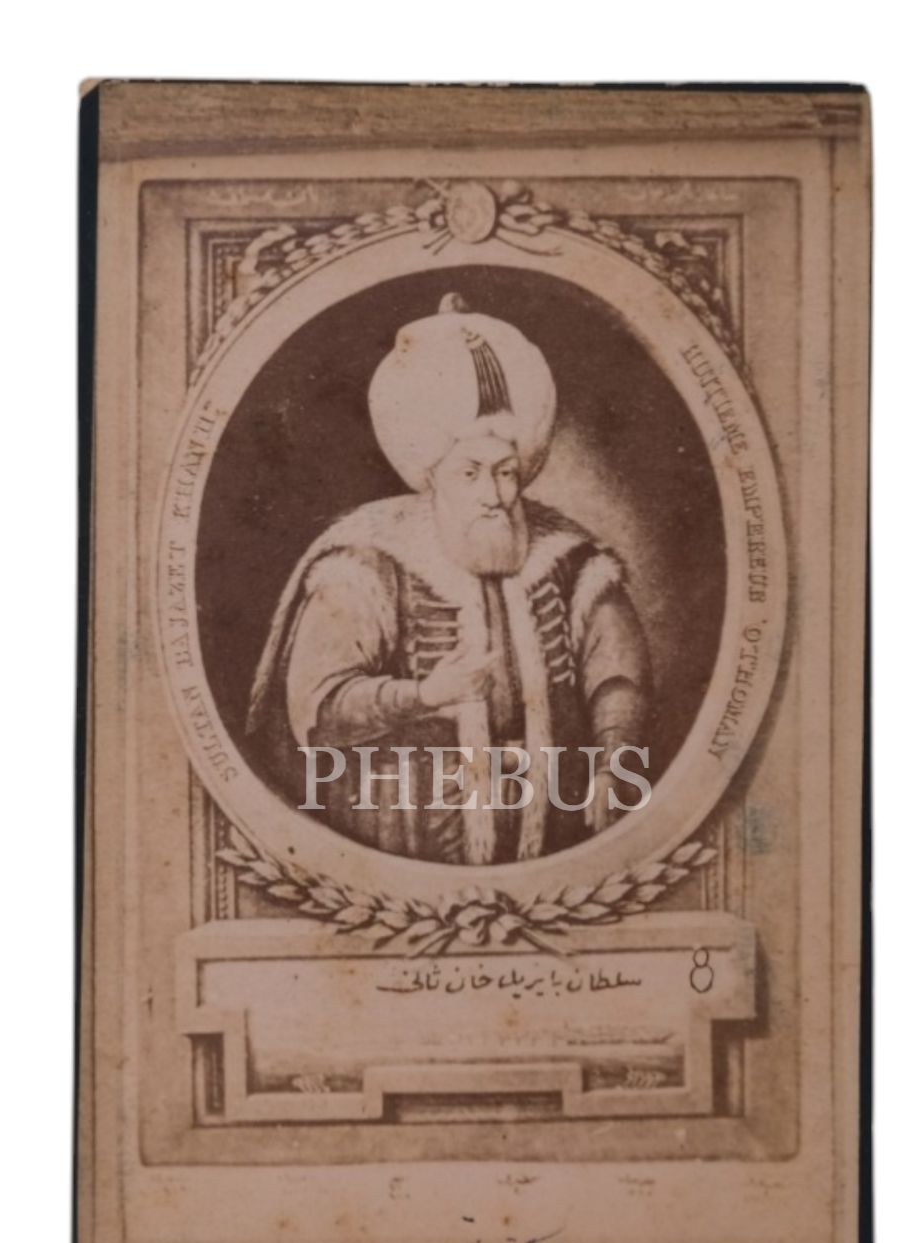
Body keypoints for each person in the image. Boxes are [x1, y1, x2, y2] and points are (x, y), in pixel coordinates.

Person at [247, 293, 651, 864]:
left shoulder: (568, 558)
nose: (495, 495)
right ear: (432, 475)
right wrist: (424, 696)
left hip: (556, 829)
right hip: (407, 832)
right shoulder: (365, 564)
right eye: (471, 473)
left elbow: (616, 675)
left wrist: (612, 760)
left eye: (506, 473)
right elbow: (319, 712)